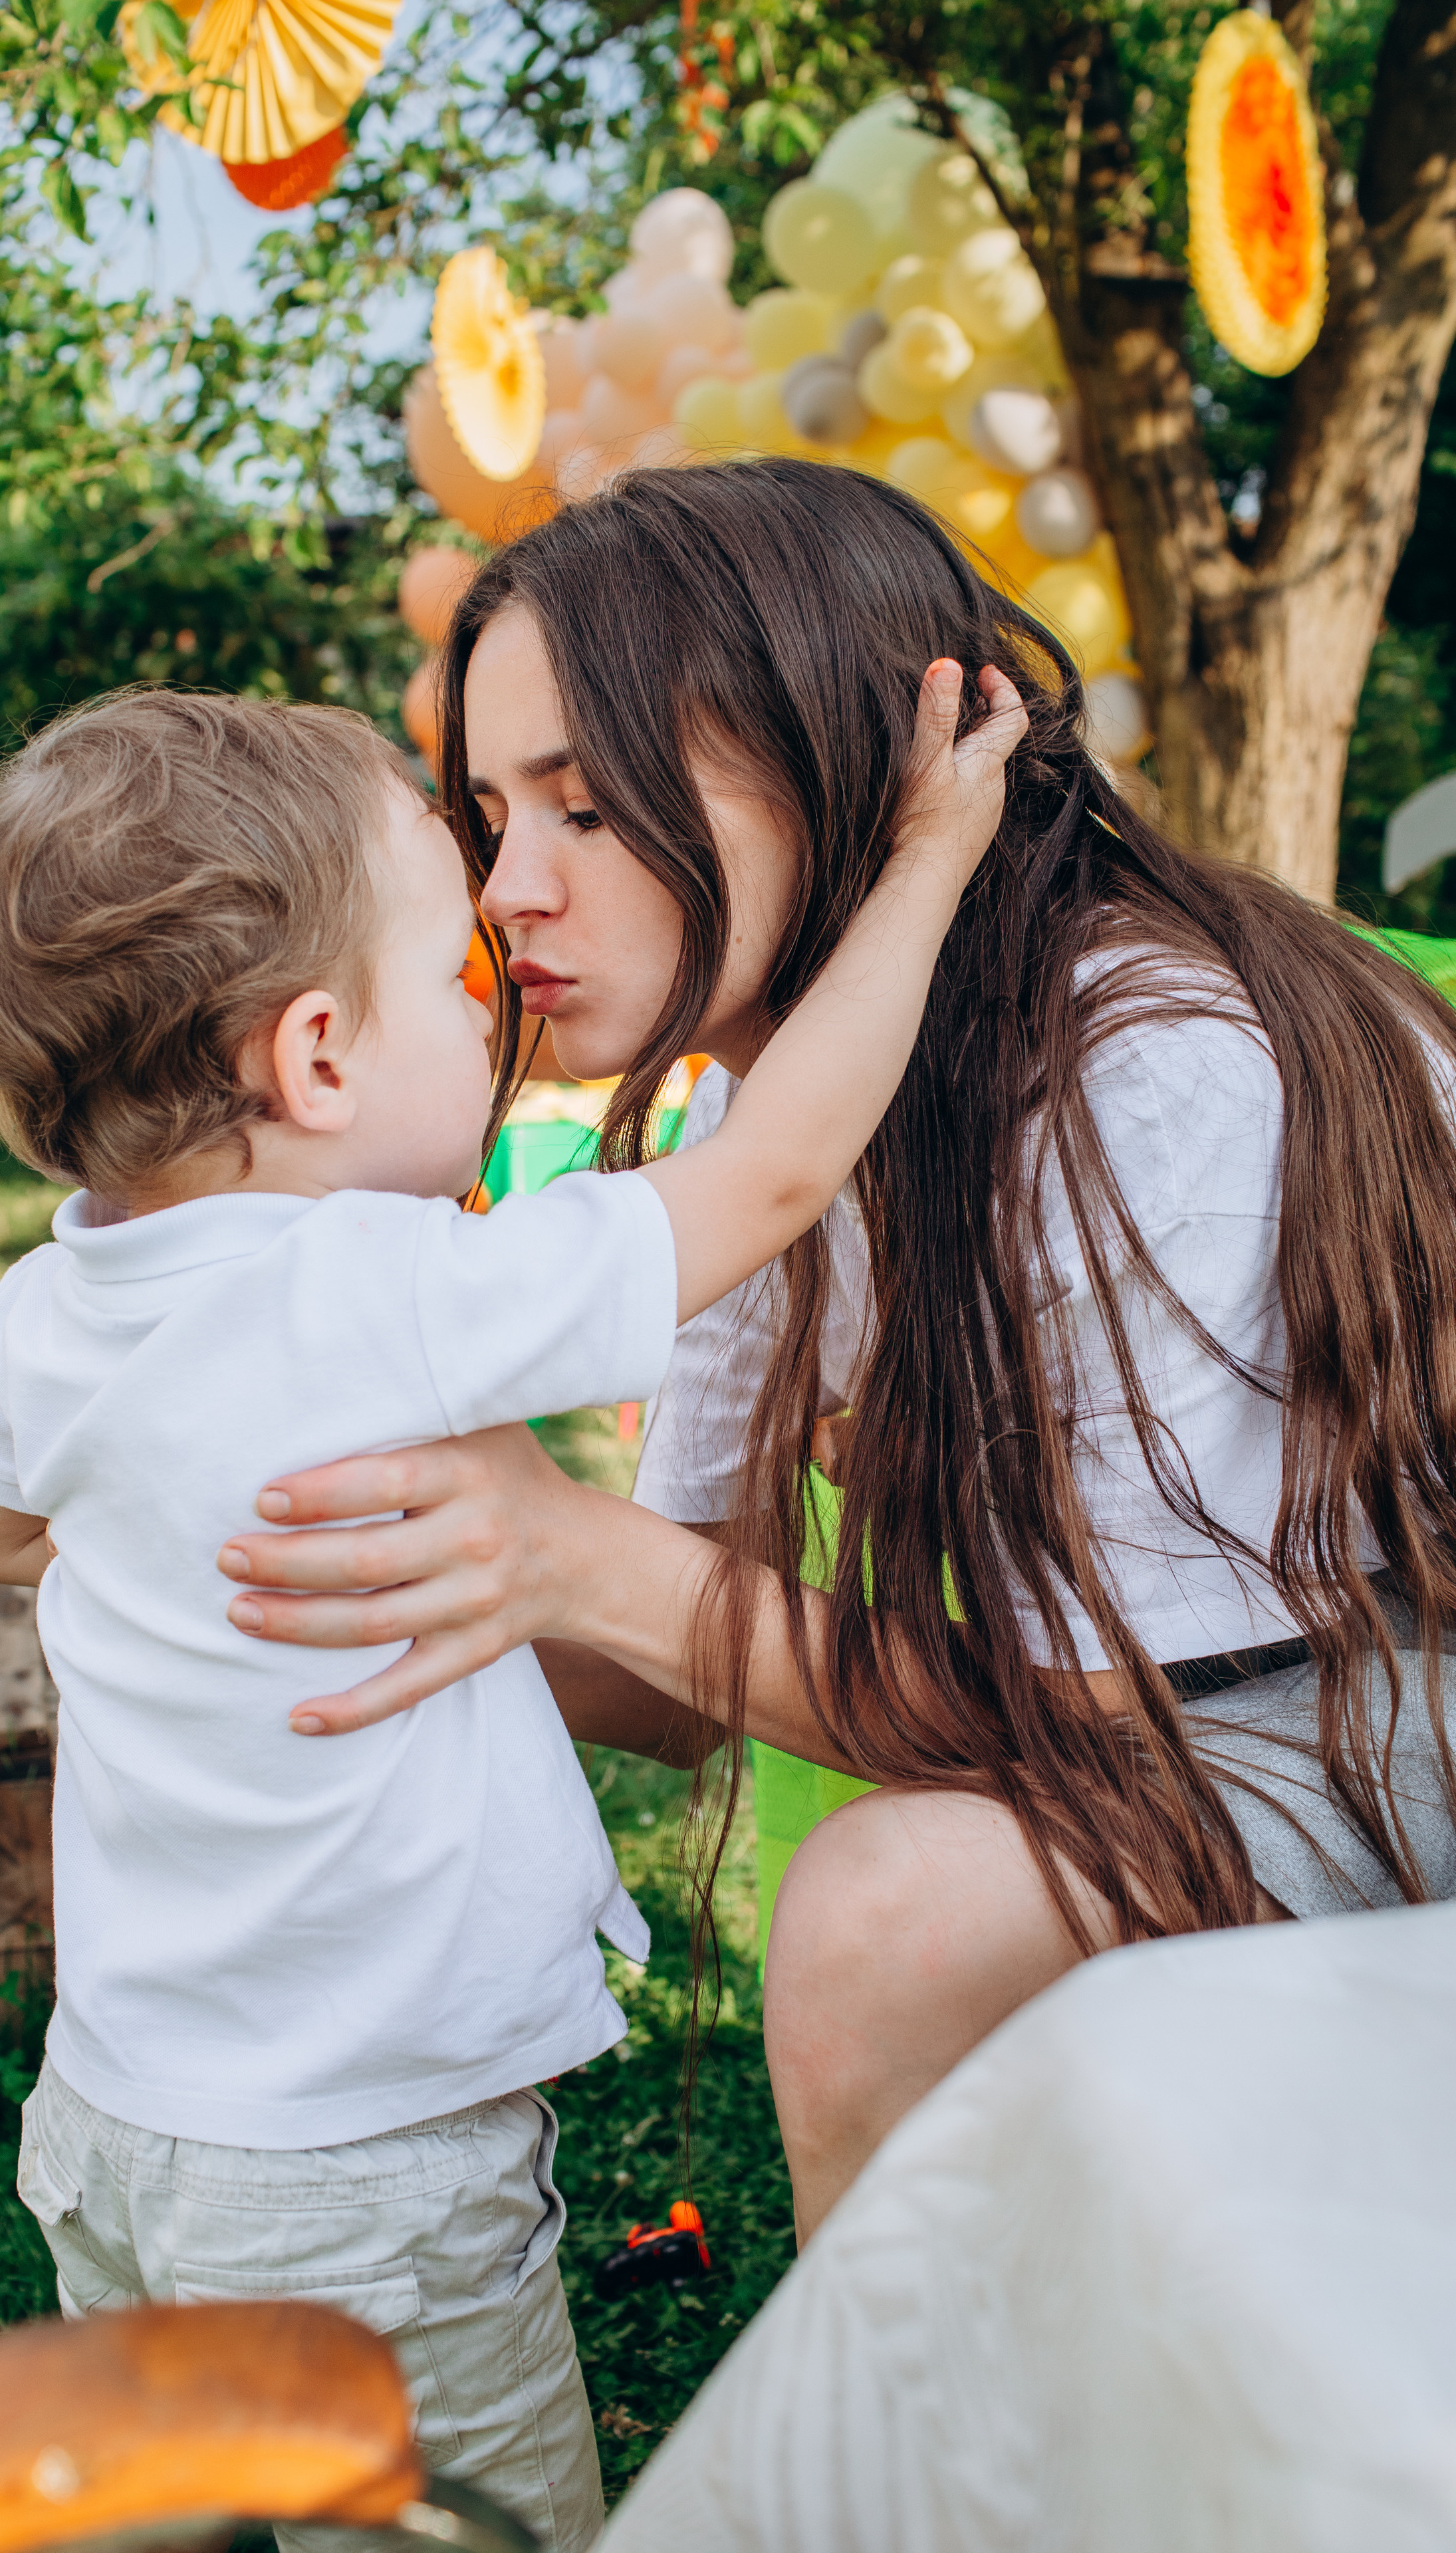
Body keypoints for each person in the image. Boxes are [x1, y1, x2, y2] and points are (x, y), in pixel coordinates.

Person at [209, 458, 1456, 2249]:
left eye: (587, 808)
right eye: (491, 818)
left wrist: (573, 1555)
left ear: (842, 759)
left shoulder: (1137, 1064)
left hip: (1375, 1709)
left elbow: (1092, 1733)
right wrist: (318, 1562)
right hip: (1194, 1721)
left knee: (895, 1907)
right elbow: (669, 1666)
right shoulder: (766, 1109)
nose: (507, 894)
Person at [0, 669, 1021, 2546]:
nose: (494, 997)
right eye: (458, 981)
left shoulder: (56, 1305)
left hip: (117, 2126)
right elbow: (773, 1169)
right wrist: (930, 860)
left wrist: (161, 1545)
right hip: (364, 2177)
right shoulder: (381, 1285)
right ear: (322, 1057)